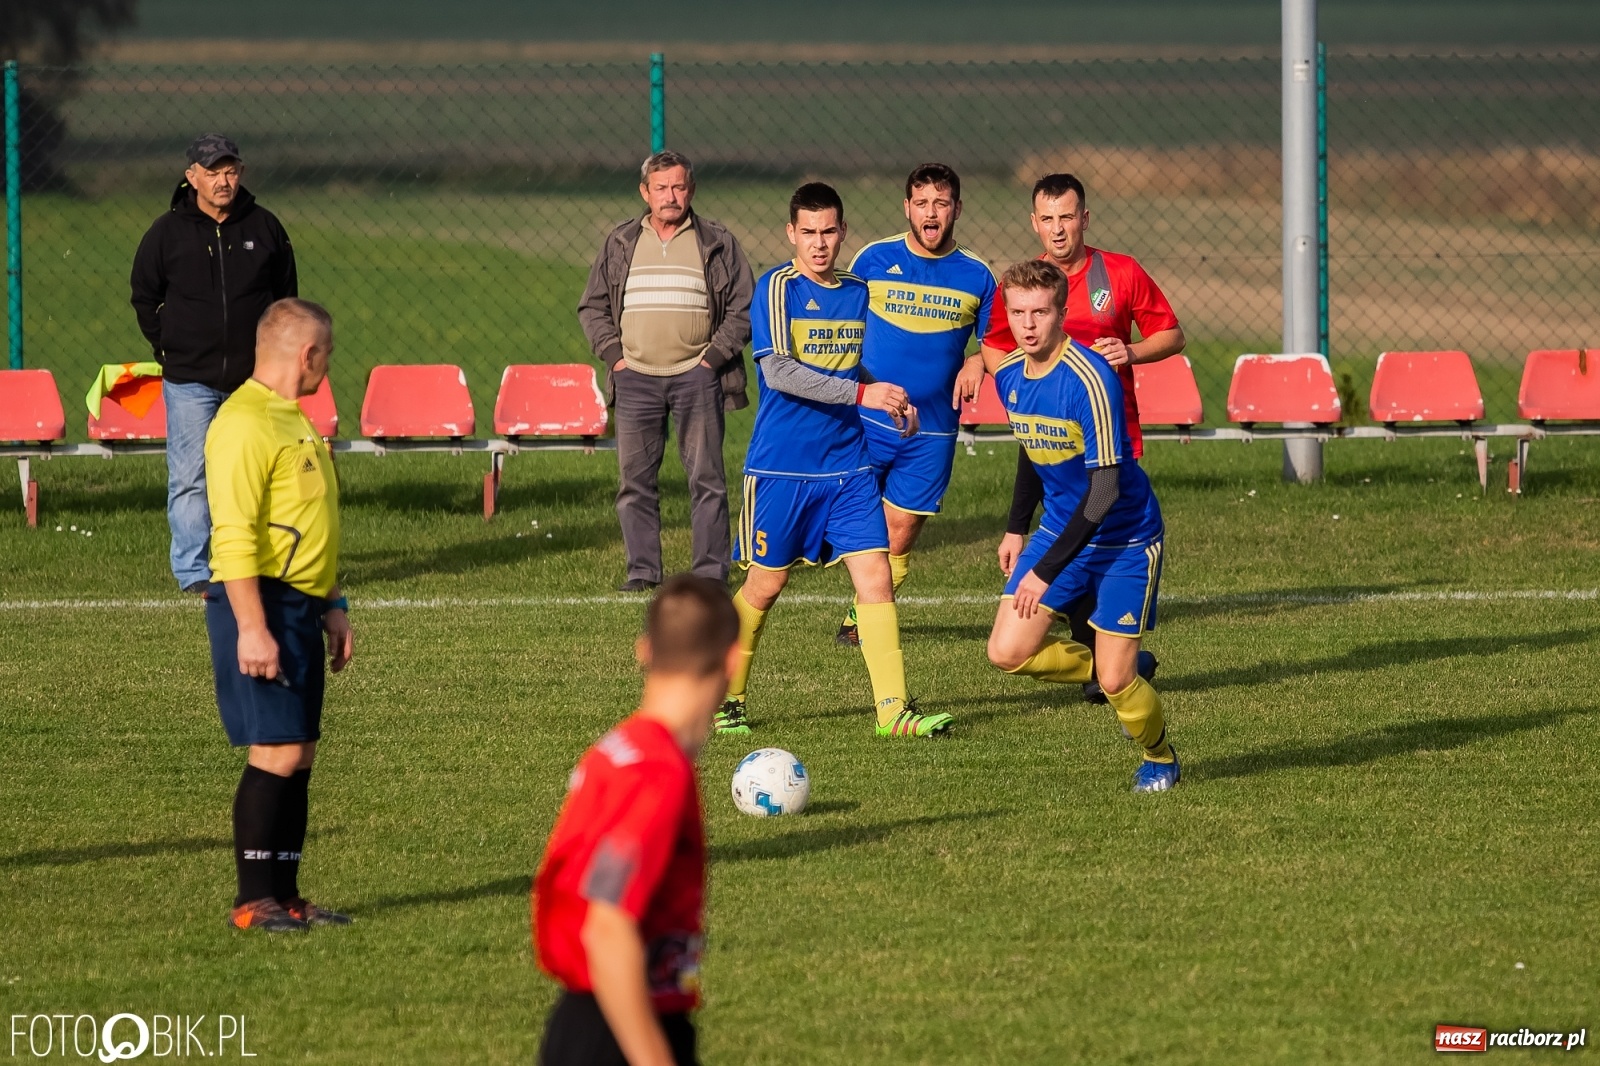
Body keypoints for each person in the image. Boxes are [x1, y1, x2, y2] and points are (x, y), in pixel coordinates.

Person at [719, 182, 951, 739]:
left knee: (876, 576)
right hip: (783, 468)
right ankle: (726, 698)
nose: (819, 243)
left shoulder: (855, 291)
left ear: (843, 232)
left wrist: (889, 397)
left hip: (848, 466)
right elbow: (779, 371)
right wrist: (864, 394)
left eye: (828, 232)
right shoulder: (778, 287)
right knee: (765, 586)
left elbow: (845, 369)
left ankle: (893, 713)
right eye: (809, 232)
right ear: (791, 234)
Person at [979, 172, 1184, 700]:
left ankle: (1111, 666)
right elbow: (994, 346)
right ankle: (1107, 665)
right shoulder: (1027, 287)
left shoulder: (1120, 272)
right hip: (1055, 441)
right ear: (1034, 223)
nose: (1057, 229)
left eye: (1066, 217)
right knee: (1072, 546)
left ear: (1084, 219)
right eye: (1047, 219)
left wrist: (1132, 352)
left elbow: (1172, 333)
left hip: (1115, 439)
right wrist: (1010, 384)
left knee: (1100, 518)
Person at [982, 261, 1178, 793]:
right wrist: (1016, 528)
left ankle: (1159, 757)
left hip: (1124, 538)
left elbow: (1106, 489)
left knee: (1117, 683)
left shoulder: (1090, 380)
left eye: (1039, 313)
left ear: (1062, 313)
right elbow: (1033, 447)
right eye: (1017, 313)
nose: (1028, 326)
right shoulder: (1011, 374)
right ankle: (1111, 664)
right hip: (1061, 527)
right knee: (1006, 652)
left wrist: (1045, 570)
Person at [533, 574, 740, 1066]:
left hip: (590, 1019)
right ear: (732, 661)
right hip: (619, 1028)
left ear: (645, 651)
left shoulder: (622, 747)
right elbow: (607, 925)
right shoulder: (656, 773)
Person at [203, 298, 353, 931]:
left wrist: (332, 603)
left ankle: (287, 895)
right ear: (308, 354)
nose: (328, 365)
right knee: (277, 751)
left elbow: (310, 520)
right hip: (259, 602)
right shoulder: (244, 423)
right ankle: (251, 900)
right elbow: (233, 535)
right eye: (328, 354)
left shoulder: (292, 419)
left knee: (301, 752)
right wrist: (252, 628)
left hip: (298, 605)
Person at [833, 163, 997, 647]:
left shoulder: (978, 275)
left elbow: (998, 343)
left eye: (940, 204)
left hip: (932, 430)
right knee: (848, 526)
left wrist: (977, 362)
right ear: (906, 207)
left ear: (957, 209)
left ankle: (860, 619)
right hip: (866, 418)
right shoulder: (872, 259)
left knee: (900, 531)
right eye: (921, 203)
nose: (931, 213)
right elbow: (843, 325)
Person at [578, 150, 755, 592]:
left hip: (697, 376)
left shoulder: (717, 241)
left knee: (707, 480)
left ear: (691, 190)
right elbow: (592, 307)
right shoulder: (620, 242)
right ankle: (642, 573)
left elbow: (744, 307)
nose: (670, 196)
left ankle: (710, 574)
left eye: (678, 187)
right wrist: (616, 358)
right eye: (661, 188)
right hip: (634, 377)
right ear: (645, 192)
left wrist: (711, 361)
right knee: (635, 483)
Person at [131, 134, 298, 594]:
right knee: (190, 478)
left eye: (230, 171)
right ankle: (194, 573)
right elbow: (144, 296)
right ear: (192, 177)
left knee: (259, 476)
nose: (223, 181)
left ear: (241, 173)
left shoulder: (266, 228)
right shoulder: (166, 233)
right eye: (212, 172)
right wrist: (168, 347)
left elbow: (286, 302)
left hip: (255, 382)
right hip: (190, 380)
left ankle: (260, 563)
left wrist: (274, 361)